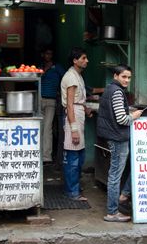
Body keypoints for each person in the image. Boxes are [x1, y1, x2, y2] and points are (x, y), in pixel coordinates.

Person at [97, 65, 143, 222]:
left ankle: (123, 197)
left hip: (113, 135)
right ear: (116, 76)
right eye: (124, 77)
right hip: (117, 138)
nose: (127, 80)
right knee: (115, 175)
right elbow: (122, 119)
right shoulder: (117, 92)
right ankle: (112, 212)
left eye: (129, 77)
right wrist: (134, 116)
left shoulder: (110, 89)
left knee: (115, 173)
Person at [60, 47, 93, 201]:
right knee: (73, 157)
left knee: (79, 155)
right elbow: (70, 105)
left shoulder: (77, 76)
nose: (87, 61)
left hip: (78, 116)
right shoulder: (71, 77)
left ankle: (73, 188)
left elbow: (77, 102)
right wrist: (73, 128)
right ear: (75, 60)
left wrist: (85, 109)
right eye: (83, 58)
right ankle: (72, 192)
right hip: (73, 118)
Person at [39, 47, 65, 166]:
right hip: (39, 100)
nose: (49, 56)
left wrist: (60, 91)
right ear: (43, 55)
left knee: (48, 128)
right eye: (47, 53)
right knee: (40, 128)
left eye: (50, 53)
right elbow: (36, 80)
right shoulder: (39, 68)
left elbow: (65, 79)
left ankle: (46, 157)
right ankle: (37, 154)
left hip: (51, 100)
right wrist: (44, 71)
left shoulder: (57, 67)